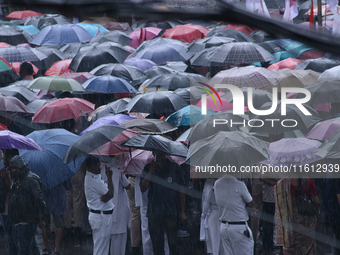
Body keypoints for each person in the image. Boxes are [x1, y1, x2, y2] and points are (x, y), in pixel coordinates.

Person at [140, 150, 186, 255]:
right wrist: (151, 172)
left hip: (171, 211)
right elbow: (142, 188)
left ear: (165, 153)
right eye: (156, 153)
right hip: (154, 212)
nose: (159, 156)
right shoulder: (148, 167)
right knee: (157, 245)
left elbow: (181, 190)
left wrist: (182, 211)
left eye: (161, 153)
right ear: (153, 153)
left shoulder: (174, 167)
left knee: (173, 244)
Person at [7, 155, 45, 255]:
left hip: (28, 219)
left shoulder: (30, 180)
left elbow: (39, 200)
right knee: (30, 245)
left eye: (16, 168)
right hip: (19, 218)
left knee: (25, 248)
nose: (14, 170)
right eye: (12, 168)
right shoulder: (18, 179)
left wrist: (40, 218)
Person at [275, 178, 320, 255]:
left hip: (291, 225)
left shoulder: (281, 184)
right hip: (308, 220)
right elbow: (316, 200)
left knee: (291, 249)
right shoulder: (308, 180)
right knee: (309, 247)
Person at [214, 174, 255, 255]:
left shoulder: (217, 183)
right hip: (239, 227)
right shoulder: (239, 185)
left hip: (224, 226)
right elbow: (251, 203)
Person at [84, 156, 114, 255]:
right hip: (101, 217)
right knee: (101, 249)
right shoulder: (93, 179)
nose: (99, 167)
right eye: (97, 165)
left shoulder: (95, 176)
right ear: (90, 167)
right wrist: (109, 177)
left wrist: (106, 196)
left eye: (99, 165)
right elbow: (110, 194)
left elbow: (106, 196)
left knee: (102, 246)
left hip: (101, 215)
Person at [101, 157, 131, 255]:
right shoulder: (118, 169)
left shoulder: (98, 169)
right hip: (118, 216)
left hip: (105, 214)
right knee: (118, 247)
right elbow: (128, 186)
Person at [41, 180, 72, 255]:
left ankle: (46, 247)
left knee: (45, 225)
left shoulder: (41, 172)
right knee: (58, 224)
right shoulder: (60, 170)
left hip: (45, 198)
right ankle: (56, 248)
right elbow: (68, 186)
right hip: (58, 199)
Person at [0, 149, 19, 255]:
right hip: (4, 209)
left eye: (6, 155)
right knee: (10, 239)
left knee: (15, 239)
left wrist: (6, 177)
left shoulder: (17, 172)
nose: (3, 157)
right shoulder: (3, 169)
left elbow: (14, 190)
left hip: (14, 210)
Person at [200, 178, 221, 255]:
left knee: (214, 243)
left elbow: (205, 203)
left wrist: (203, 214)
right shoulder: (227, 182)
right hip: (225, 214)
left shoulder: (209, 183)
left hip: (213, 215)